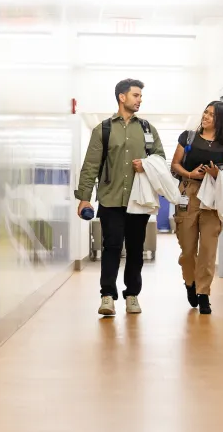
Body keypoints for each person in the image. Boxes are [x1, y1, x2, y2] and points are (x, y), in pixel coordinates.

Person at [75, 79, 165, 316]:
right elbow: (90, 166)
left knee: (136, 249)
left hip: (139, 201)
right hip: (110, 199)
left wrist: (146, 165)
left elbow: (160, 160)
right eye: (136, 95)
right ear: (122, 97)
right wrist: (84, 197)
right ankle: (107, 296)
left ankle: (132, 295)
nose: (139, 100)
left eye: (140, 96)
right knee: (111, 246)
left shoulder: (147, 129)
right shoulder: (103, 129)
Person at [170, 101, 223, 314]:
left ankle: (204, 294)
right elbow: (175, 164)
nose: (206, 117)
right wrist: (191, 174)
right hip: (189, 193)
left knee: (208, 249)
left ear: (221, 120)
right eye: (205, 113)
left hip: (212, 198)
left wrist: (213, 172)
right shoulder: (188, 137)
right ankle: (190, 282)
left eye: (212, 115)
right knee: (188, 250)